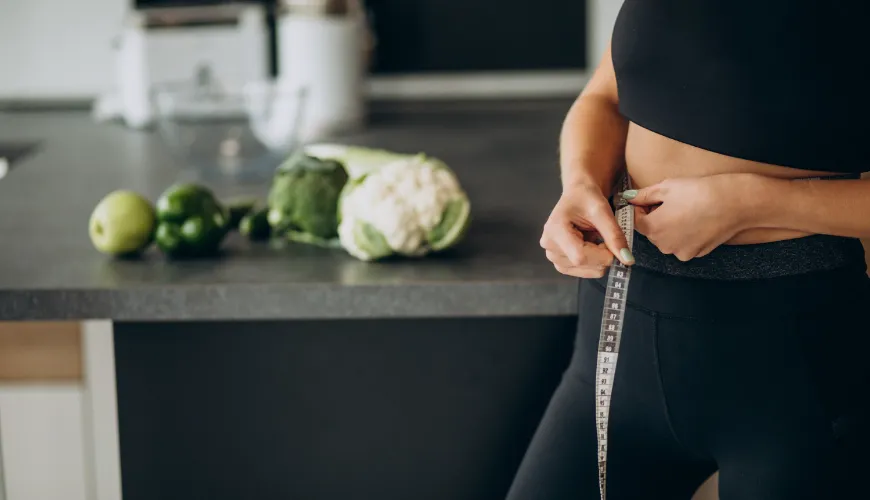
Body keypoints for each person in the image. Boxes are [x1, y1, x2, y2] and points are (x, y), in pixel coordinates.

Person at [507, 2, 870, 499]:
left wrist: (752, 201)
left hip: (791, 363)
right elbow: (607, 96)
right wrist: (581, 184)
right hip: (617, 332)